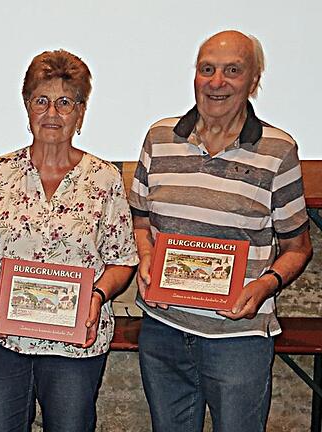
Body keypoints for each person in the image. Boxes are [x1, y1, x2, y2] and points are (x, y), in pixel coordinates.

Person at [129, 30, 313, 432]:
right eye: (206, 69)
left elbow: (298, 247)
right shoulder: (160, 138)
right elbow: (141, 222)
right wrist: (145, 256)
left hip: (239, 338)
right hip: (163, 329)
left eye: (232, 70)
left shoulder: (278, 151)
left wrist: (264, 287)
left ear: (254, 80)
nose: (217, 82)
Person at [0, 50, 139, 432]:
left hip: (75, 346)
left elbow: (123, 259)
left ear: (80, 111)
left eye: (65, 102)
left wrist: (96, 297)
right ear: (27, 106)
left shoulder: (104, 178)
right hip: (4, 342)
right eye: (41, 101)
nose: (52, 113)